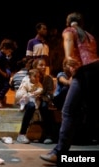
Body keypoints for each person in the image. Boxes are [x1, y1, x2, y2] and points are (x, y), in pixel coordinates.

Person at [40, 12, 99, 164]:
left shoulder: (69, 31)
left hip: (84, 71)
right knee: (88, 111)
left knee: (68, 111)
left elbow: (67, 40)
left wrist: (67, 56)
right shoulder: (90, 36)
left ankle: (59, 153)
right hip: (95, 70)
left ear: (68, 22)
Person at [16, 57, 55, 144]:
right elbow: (22, 90)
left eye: (45, 65)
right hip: (28, 99)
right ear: (35, 66)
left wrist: (40, 97)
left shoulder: (48, 79)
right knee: (31, 106)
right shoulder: (27, 78)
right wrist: (27, 96)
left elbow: (50, 94)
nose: (44, 67)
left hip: (41, 99)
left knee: (44, 106)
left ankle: (47, 135)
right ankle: (22, 134)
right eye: (41, 65)